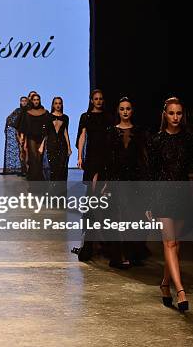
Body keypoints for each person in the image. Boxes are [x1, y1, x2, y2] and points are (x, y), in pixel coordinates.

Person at [148, 97, 193, 312]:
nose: (175, 117)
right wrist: (148, 203)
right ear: (165, 115)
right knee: (169, 244)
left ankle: (165, 284)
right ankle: (181, 291)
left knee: (175, 244)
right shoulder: (156, 140)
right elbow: (151, 174)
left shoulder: (190, 140)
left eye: (178, 113)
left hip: (182, 196)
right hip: (161, 195)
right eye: (171, 113)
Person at [103, 97, 151, 269]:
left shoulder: (139, 132)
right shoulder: (111, 131)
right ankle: (118, 256)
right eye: (122, 108)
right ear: (118, 111)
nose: (125, 111)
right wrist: (106, 180)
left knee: (134, 217)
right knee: (117, 217)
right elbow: (108, 158)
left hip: (134, 179)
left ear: (132, 111)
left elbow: (143, 157)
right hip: (116, 178)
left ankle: (134, 254)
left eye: (128, 108)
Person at [75, 89, 112, 261]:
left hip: (105, 157)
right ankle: (90, 242)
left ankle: (99, 241)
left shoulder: (108, 116)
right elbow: (82, 136)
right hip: (91, 158)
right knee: (92, 196)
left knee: (101, 197)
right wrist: (80, 156)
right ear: (91, 100)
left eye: (100, 98)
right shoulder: (86, 117)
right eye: (95, 99)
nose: (98, 101)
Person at [18, 93, 50, 181]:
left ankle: (38, 178)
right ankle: (34, 179)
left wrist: (45, 139)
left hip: (41, 137)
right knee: (33, 157)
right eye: (34, 100)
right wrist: (22, 138)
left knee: (39, 158)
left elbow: (48, 127)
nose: (36, 101)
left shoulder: (45, 112)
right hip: (31, 137)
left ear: (40, 101)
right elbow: (24, 126)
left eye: (37, 99)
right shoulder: (27, 113)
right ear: (32, 101)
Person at [44, 97, 71, 181]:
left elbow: (65, 132)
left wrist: (69, 148)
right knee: (53, 169)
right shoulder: (48, 116)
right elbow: (46, 133)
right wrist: (42, 146)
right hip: (51, 145)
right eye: (56, 103)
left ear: (62, 105)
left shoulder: (65, 117)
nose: (58, 105)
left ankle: (61, 192)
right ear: (53, 105)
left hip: (62, 145)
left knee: (62, 168)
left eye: (59, 103)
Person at [1, 96, 27, 175]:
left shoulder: (30, 111)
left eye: (25, 101)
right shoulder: (18, 111)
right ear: (20, 102)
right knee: (21, 152)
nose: (24, 102)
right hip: (19, 134)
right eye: (22, 101)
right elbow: (10, 120)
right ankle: (23, 169)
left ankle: (27, 170)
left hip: (28, 134)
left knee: (26, 152)